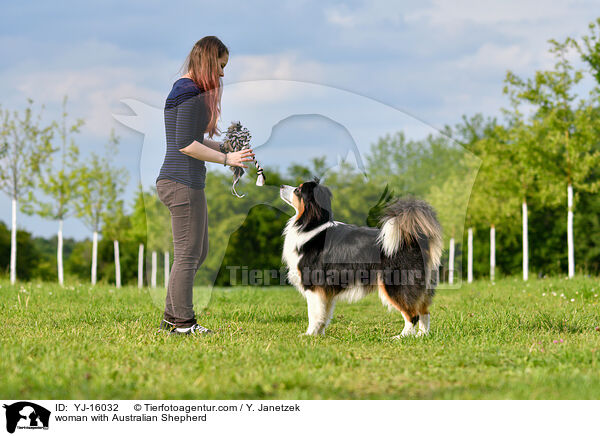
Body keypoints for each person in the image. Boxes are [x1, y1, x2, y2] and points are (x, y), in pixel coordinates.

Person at [155, 36, 254, 335]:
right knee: (187, 255)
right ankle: (183, 324)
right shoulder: (187, 91)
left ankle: (172, 319)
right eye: (221, 66)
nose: (223, 74)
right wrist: (226, 159)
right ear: (210, 61)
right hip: (181, 182)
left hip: (186, 182)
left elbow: (192, 139)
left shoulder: (186, 90)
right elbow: (185, 145)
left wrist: (224, 148)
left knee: (198, 252)